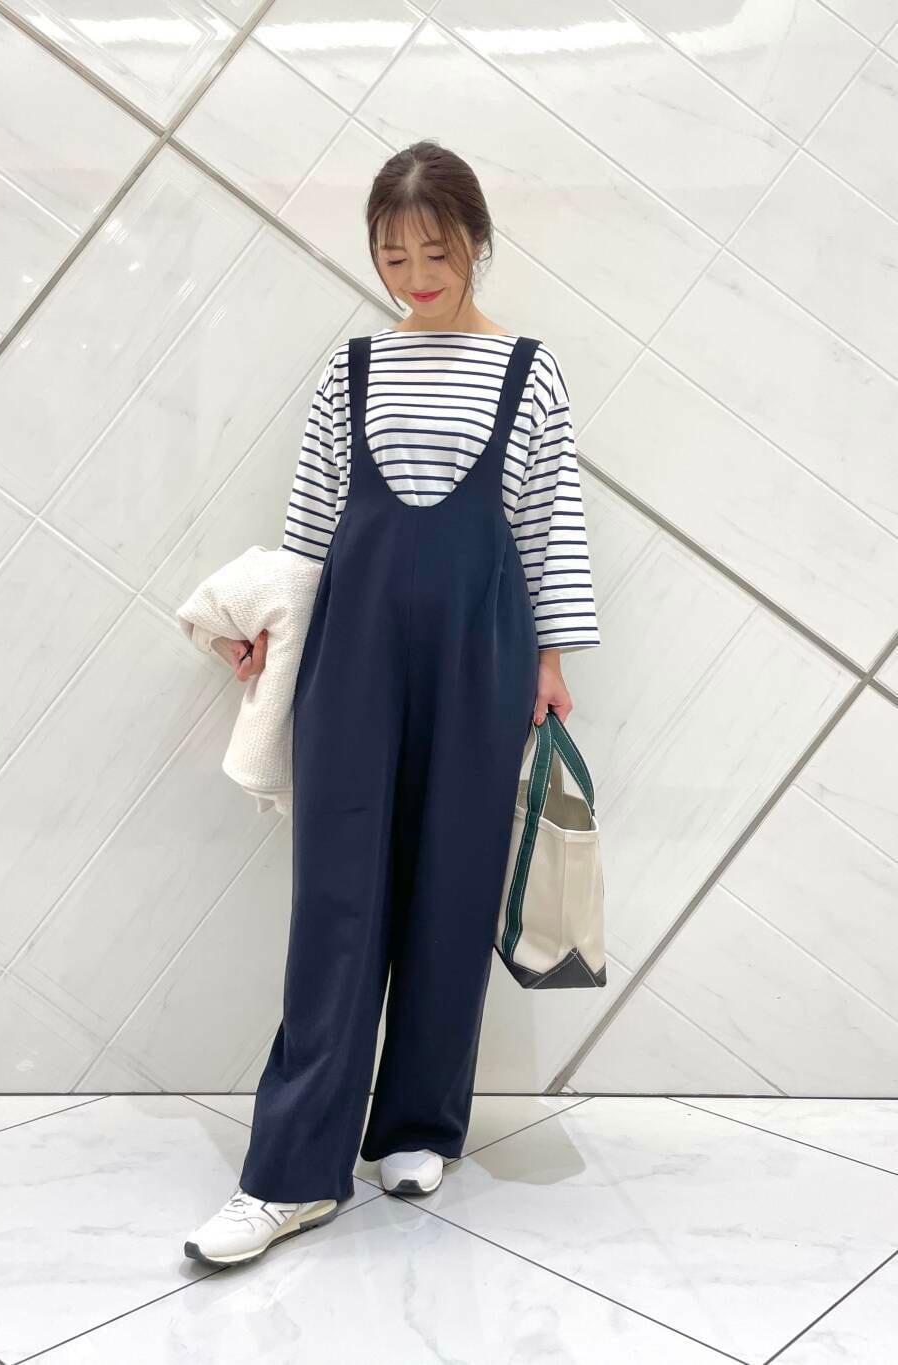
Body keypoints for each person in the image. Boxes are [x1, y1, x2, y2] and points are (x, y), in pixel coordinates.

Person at [184, 140, 601, 1268]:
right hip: (352, 652)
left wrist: (552, 657)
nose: (415, 276)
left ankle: (417, 1124)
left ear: (477, 244)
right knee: (337, 897)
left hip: (481, 654)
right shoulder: (353, 369)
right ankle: (289, 1173)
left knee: (451, 882)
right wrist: (271, 631)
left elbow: (549, 518)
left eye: (436, 253)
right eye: (392, 255)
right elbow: (310, 522)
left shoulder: (528, 371)